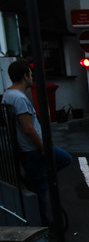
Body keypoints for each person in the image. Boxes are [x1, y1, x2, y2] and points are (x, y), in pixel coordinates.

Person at [1, 60, 72, 227]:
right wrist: (43, 147)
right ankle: (44, 224)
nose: (32, 78)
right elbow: (28, 128)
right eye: (31, 75)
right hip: (33, 149)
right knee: (61, 162)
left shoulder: (8, 95)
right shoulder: (19, 99)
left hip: (27, 149)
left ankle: (37, 187)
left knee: (40, 183)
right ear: (25, 75)